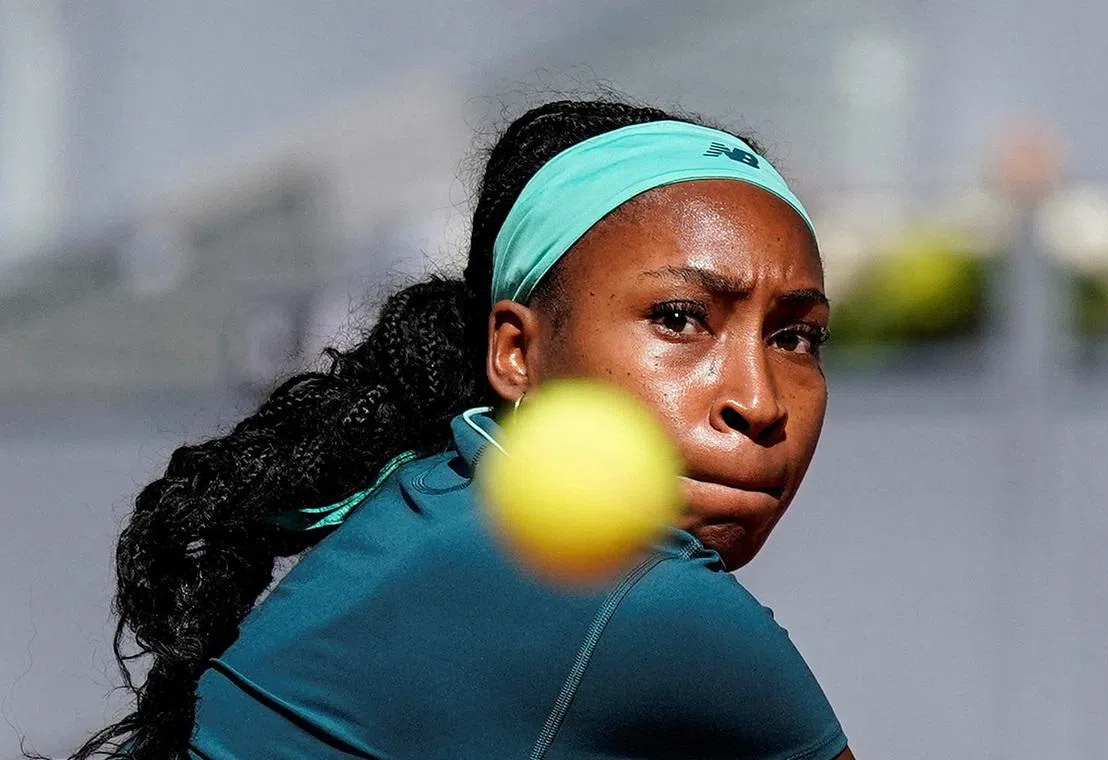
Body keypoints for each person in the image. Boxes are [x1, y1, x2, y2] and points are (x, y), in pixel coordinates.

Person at [62, 99, 853, 759]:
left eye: (795, 337)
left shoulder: (441, 495)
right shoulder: (645, 600)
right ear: (517, 353)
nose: (759, 399)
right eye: (679, 318)